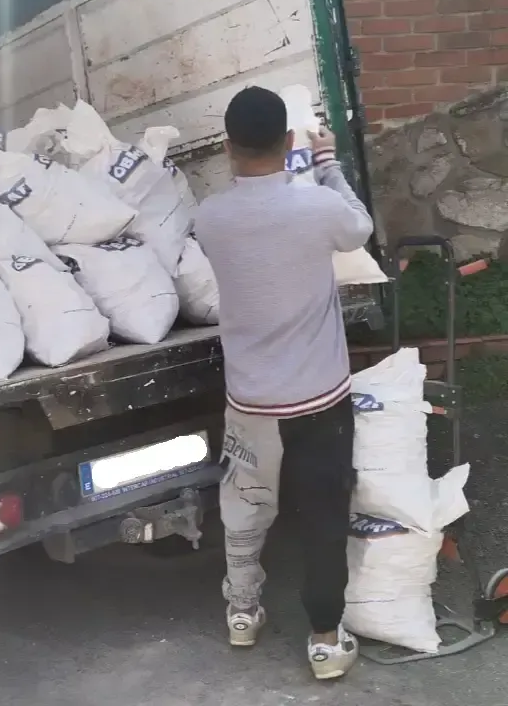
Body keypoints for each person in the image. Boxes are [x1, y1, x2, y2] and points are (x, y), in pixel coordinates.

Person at [193, 86, 373, 680]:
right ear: (289, 141)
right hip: (320, 399)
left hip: (250, 402)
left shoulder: (210, 218)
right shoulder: (315, 208)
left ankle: (242, 613)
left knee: (244, 510)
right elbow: (358, 228)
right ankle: (325, 639)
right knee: (323, 516)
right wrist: (328, 165)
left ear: (226, 148)